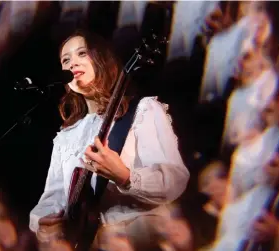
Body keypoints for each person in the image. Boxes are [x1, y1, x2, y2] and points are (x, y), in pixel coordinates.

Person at [29, 30, 189, 250]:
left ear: (101, 58)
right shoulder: (67, 136)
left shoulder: (141, 112)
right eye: (66, 60)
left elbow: (174, 180)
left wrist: (125, 176)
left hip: (139, 239)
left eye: (82, 53)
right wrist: (44, 222)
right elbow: (53, 198)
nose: (72, 63)